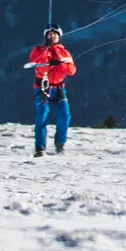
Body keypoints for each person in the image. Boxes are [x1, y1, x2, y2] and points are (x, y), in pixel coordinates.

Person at [27, 26, 75, 157]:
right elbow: (37, 67)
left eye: (55, 34)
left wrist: (59, 63)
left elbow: (71, 70)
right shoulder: (38, 50)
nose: (52, 36)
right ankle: (40, 147)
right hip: (42, 87)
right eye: (50, 34)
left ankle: (60, 144)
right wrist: (47, 58)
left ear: (59, 36)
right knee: (42, 115)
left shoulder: (64, 52)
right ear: (46, 36)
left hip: (59, 88)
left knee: (64, 116)